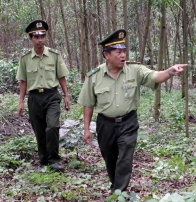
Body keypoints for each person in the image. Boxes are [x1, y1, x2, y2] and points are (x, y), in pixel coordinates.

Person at [78, 29, 187, 193]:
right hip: (105, 125)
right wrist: (86, 129)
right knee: (110, 157)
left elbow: (154, 76)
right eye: (118, 52)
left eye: (124, 51)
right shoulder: (94, 76)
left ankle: (119, 191)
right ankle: (116, 185)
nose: (123, 55)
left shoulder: (135, 70)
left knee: (125, 158)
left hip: (128, 123)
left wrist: (169, 72)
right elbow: (88, 104)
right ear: (106, 55)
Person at [16, 19, 71, 172]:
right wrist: (20, 102)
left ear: (45, 37)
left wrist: (66, 96)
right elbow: (23, 81)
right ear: (31, 38)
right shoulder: (25, 58)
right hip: (34, 97)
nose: (40, 40)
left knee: (52, 126)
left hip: (52, 95)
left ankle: (54, 160)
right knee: (39, 130)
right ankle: (44, 162)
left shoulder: (54, 55)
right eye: (36, 36)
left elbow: (61, 76)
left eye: (42, 36)